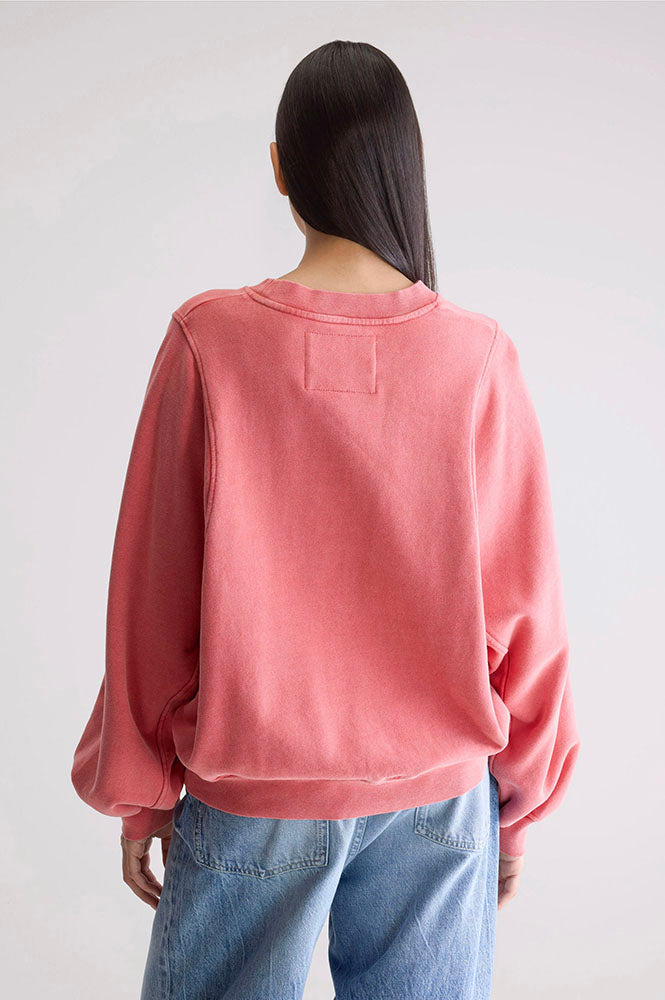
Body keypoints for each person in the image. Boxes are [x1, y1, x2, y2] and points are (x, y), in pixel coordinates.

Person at [71, 39, 581, 1000]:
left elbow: (152, 596)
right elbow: (527, 615)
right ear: (405, 168)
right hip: (439, 799)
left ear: (280, 166)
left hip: (255, 790)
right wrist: (516, 807)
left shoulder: (210, 341)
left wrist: (140, 795)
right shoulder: (476, 357)